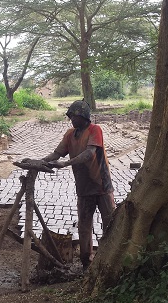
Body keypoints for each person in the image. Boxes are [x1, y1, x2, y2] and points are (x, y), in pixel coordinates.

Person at [40, 100, 115, 270]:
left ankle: (109, 257)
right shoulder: (69, 135)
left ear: (83, 116)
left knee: (110, 222)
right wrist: (40, 161)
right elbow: (57, 153)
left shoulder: (95, 130)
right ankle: (86, 262)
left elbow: (89, 153)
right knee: (84, 226)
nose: (72, 119)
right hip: (83, 188)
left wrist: (66, 164)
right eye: (70, 116)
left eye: (74, 116)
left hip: (102, 185)